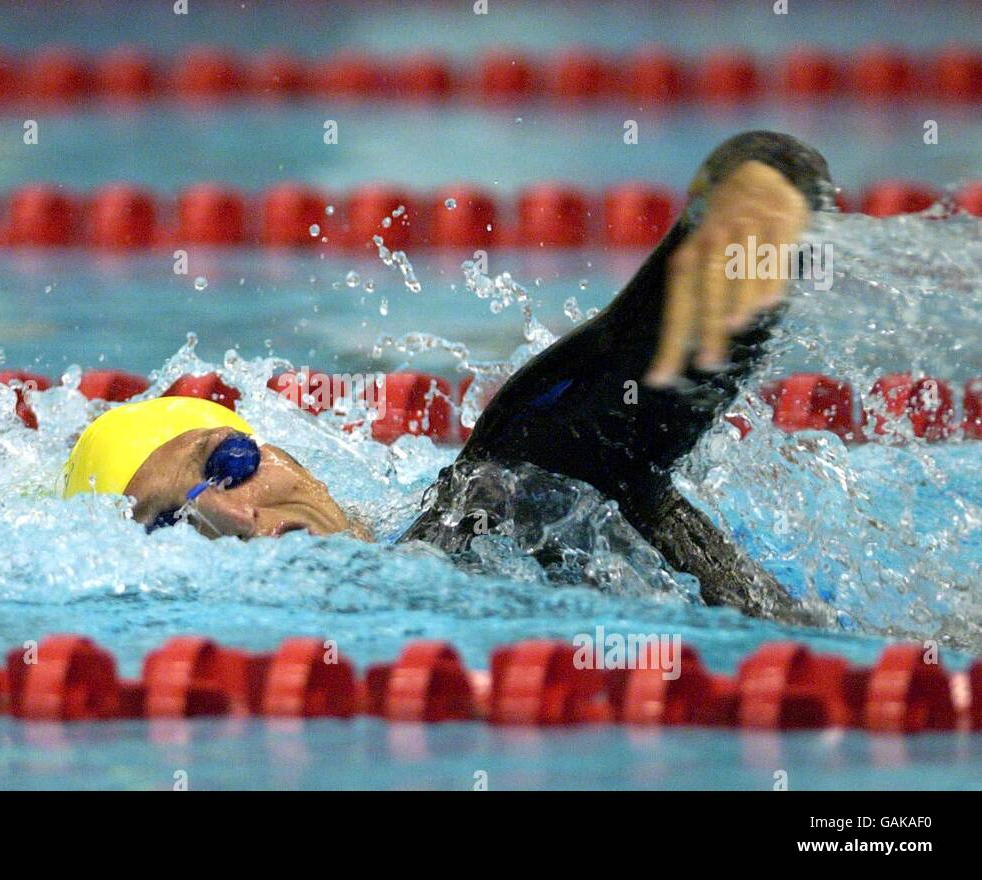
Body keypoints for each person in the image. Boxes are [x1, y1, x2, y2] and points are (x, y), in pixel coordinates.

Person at [62, 130, 832, 620]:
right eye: (172, 525)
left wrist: (748, 194)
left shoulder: (475, 522)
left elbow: (556, 430)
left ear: (290, 457)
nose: (234, 517)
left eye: (229, 464)